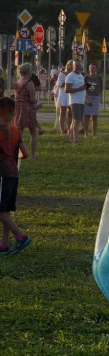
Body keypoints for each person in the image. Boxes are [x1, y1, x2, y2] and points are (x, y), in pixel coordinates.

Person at [0, 98, 30, 256]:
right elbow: (24, 154)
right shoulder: (15, 130)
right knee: (5, 210)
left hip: (2, 175)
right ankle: (4, 244)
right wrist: (13, 158)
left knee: (1, 211)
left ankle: (21, 236)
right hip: (13, 174)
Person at [13, 64, 40, 159]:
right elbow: (32, 99)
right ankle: (33, 154)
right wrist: (38, 104)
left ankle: (16, 153)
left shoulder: (17, 82)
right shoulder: (29, 83)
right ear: (29, 72)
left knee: (18, 132)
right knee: (33, 132)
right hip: (28, 109)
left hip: (18, 108)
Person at [63, 61, 86, 145]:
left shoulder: (80, 75)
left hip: (81, 100)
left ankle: (71, 137)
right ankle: (76, 140)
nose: (78, 67)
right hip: (74, 101)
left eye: (79, 66)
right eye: (76, 66)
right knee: (76, 120)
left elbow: (82, 87)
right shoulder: (70, 76)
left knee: (76, 120)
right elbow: (67, 90)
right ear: (73, 67)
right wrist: (79, 89)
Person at [83, 63, 102, 137]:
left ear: (95, 69)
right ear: (89, 69)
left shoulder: (98, 78)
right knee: (87, 116)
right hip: (87, 97)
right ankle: (86, 133)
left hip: (96, 97)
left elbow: (101, 87)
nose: (92, 69)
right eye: (91, 68)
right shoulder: (86, 78)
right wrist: (86, 96)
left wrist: (98, 95)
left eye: (94, 68)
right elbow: (84, 88)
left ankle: (94, 134)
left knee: (95, 117)